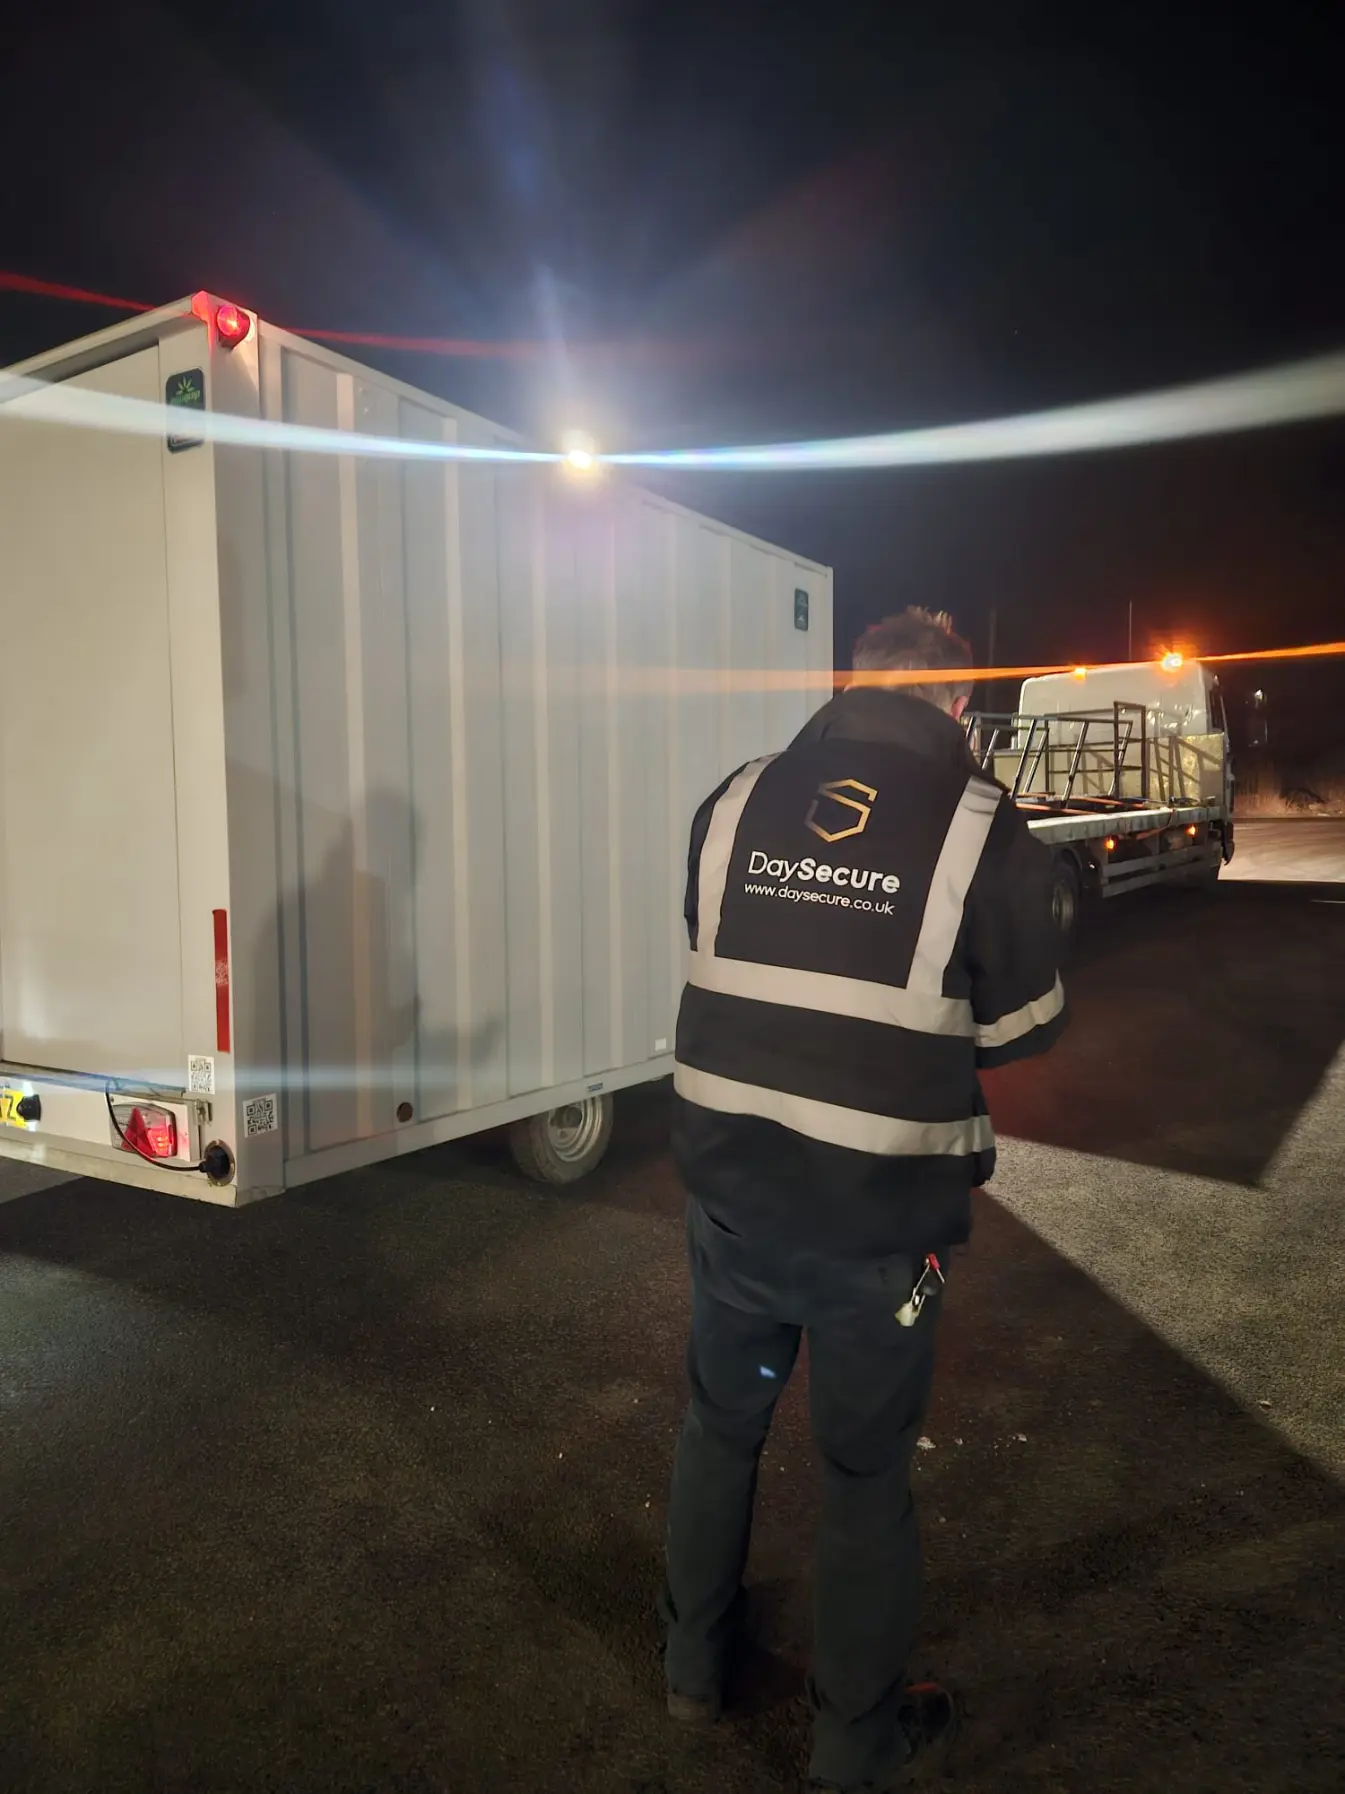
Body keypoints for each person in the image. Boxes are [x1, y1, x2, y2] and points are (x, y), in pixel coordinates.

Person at [660, 607, 1067, 1791]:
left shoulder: (736, 796)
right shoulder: (981, 824)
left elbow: (718, 944)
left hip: (729, 1196)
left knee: (717, 1428)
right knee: (862, 1477)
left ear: (852, 687)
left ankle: (692, 1669)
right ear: (951, 703)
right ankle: (853, 1743)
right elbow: (1024, 1024)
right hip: (874, 1222)